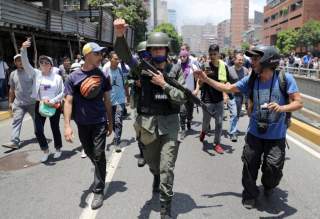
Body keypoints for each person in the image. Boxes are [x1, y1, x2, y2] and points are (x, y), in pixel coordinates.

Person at [195, 45, 303, 209]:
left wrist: (282, 108)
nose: (251, 62)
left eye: (255, 59)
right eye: (250, 59)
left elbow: (298, 102)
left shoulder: (285, 79)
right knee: (249, 165)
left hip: (277, 135)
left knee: (273, 170)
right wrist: (206, 79)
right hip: (254, 133)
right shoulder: (251, 79)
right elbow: (229, 87)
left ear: (267, 60)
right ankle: (250, 194)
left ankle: (268, 185)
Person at [114, 18, 187, 219]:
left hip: (170, 125)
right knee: (154, 165)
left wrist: (164, 84)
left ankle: (165, 209)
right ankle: (155, 176)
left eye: (160, 49)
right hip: (148, 125)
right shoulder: (142, 68)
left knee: (167, 169)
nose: (156, 53)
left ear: (166, 50)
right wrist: (120, 35)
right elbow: (125, 56)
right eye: (153, 49)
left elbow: (182, 98)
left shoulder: (176, 70)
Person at [64, 42, 113, 210]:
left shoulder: (102, 75)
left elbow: (107, 100)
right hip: (82, 123)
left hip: (99, 121)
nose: (101, 57)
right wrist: (67, 126)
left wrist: (110, 122)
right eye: (97, 54)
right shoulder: (73, 78)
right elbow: (68, 101)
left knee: (98, 154)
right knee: (91, 153)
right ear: (88, 55)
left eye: (101, 54)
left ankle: (99, 190)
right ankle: (101, 169)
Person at [21, 39, 64, 163]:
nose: (43, 64)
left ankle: (58, 148)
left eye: (46, 62)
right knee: (38, 130)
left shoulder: (57, 77)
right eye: (41, 62)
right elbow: (25, 64)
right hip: (40, 105)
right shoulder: (36, 74)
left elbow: (63, 92)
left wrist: (53, 100)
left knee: (55, 127)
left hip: (54, 105)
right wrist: (23, 50)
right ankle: (45, 150)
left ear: (51, 65)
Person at [195, 44, 231, 154]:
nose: (213, 56)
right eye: (211, 54)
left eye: (215, 54)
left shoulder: (223, 67)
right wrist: (199, 85)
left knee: (219, 123)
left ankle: (217, 143)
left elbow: (226, 82)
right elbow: (199, 82)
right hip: (207, 99)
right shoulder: (205, 65)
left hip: (219, 99)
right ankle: (203, 132)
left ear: (219, 54)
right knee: (206, 122)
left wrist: (226, 94)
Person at [2, 54, 36, 149]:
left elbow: (38, 87)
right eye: (18, 60)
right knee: (16, 122)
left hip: (32, 103)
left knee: (37, 121)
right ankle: (14, 141)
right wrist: (10, 102)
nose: (20, 62)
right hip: (19, 104)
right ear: (15, 63)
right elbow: (12, 89)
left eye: (22, 60)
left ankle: (39, 135)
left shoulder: (32, 72)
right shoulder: (13, 74)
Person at [103, 51, 126, 153]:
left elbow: (125, 83)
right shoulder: (106, 70)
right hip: (108, 101)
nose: (118, 61)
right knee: (108, 122)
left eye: (119, 59)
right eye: (116, 59)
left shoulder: (120, 70)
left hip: (120, 100)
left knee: (118, 121)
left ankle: (117, 142)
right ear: (110, 59)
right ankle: (102, 142)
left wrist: (128, 96)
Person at [227, 52, 249, 142]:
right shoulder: (229, 70)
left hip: (241, 96)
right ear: (234, 60)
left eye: (242, 60)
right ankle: (233, 133)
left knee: (237, 114)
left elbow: (248, 83)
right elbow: (225, 82)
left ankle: (233, 126)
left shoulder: (246, 71)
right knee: (234, 114)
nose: (241, 61)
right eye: (239, 59)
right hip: (231, 95)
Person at [178, 49, 198, 139]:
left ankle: (189, 121)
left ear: (187, 57)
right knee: (182, 111)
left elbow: (199, 79)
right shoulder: (177, 67)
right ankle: (183, 129)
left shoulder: (193, 67)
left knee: (190, 111)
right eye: (181, 56)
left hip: (191, 93)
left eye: (184, 56)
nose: (182, 58)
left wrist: (197, 90)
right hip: (181, 93)